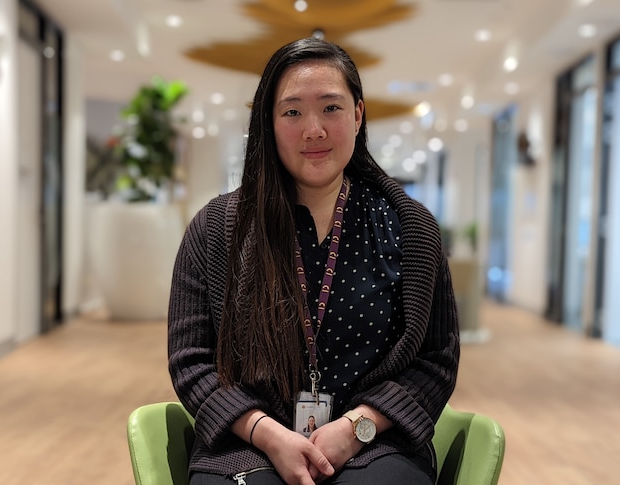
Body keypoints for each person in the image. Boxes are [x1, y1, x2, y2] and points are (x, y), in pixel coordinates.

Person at [168, 37, 460, 485]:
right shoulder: (216, 230)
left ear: (358, 115)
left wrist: (356, 428)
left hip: (375, 444)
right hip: (247, 444)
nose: (314, 130)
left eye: (331, 108)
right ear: (268, 121)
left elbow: (436, 361)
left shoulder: (410, 228)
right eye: (292, 112)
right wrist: (267, 434)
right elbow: (192, 360)